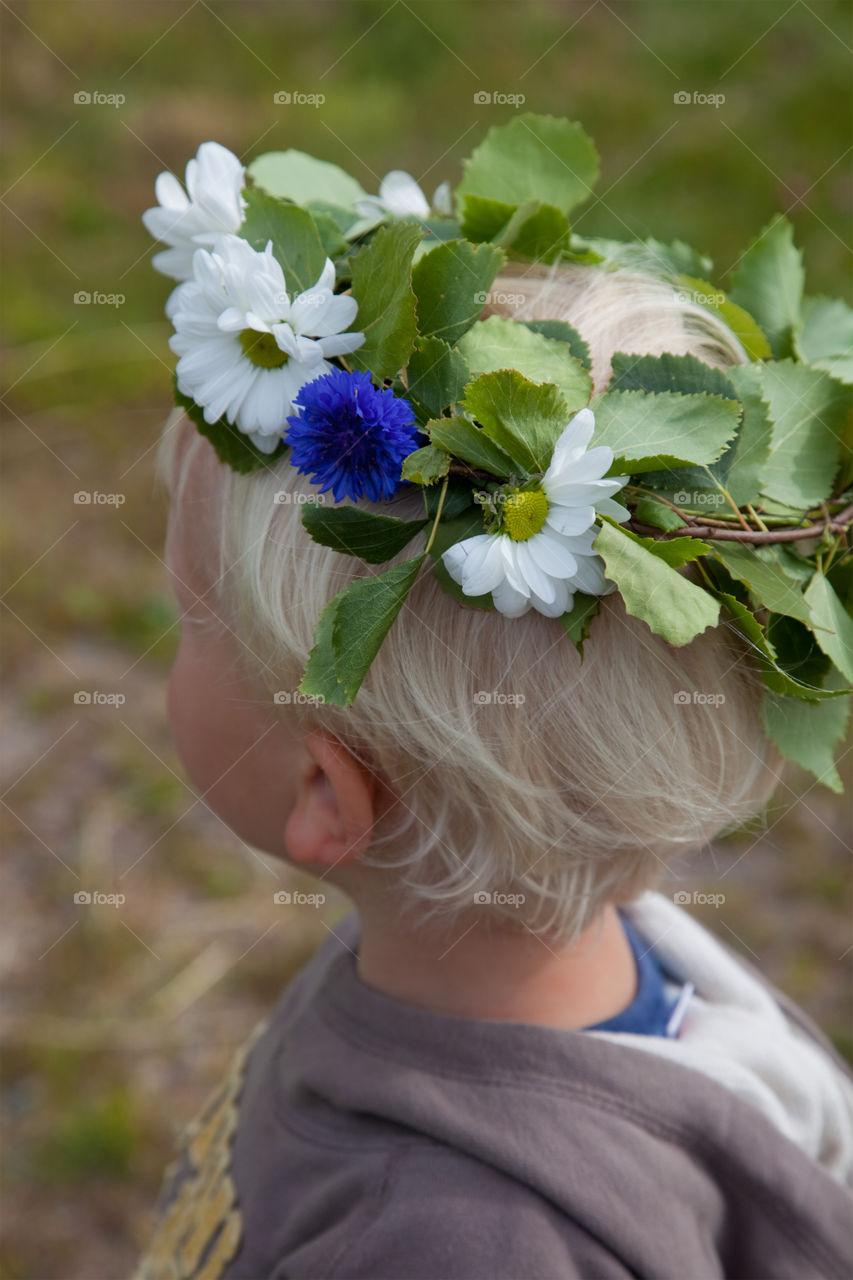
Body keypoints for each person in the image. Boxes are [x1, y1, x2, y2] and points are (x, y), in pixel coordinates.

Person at [130, 253, 853, 1280]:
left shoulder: (455, 1243)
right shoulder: (617, 977)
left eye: (189, 619)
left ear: (324, 792)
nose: (173, 640)